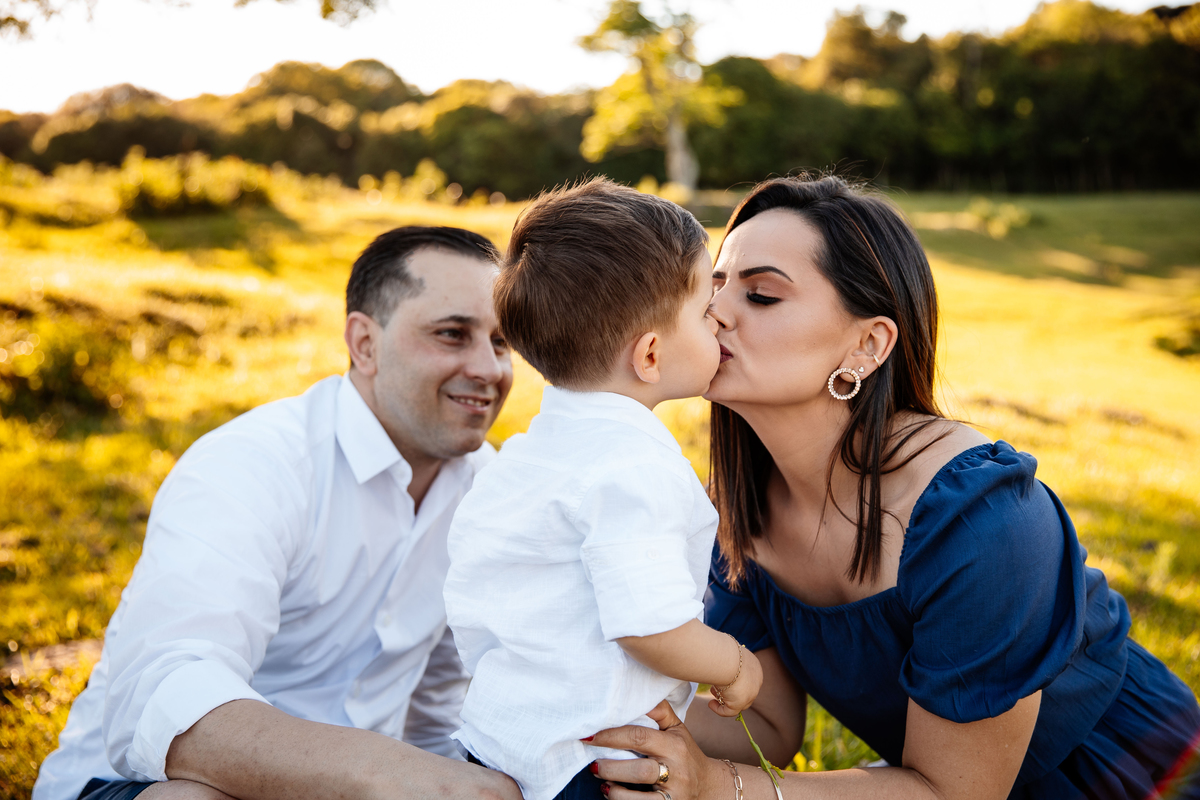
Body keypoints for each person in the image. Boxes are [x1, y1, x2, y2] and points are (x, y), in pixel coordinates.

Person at [583, 175, 1200, 800]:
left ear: (867, 345)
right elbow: (766, 725)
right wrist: (584, 722)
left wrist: (716, 787)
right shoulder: (732, 511)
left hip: (1135, 774)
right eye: (712, 288)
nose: (714, 313)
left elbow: (954, 792)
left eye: (762, 295)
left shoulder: (981, 518)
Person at [33, 226, 523, 800]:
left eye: (501, 342)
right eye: (451, 335)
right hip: (143, 783)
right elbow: (163, 692)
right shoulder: (254, 463)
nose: (490, 369)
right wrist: (391, 775)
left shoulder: (487, 491)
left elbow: (445, 707)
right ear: (364, 344)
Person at [443, 179, 764, 800]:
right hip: (586, 764)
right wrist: (735, 664)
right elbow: (649, 626)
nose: (720, 318)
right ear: (649, 355)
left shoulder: (525, 456)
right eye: (704, 312)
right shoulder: (632, 466)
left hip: (497, 739)